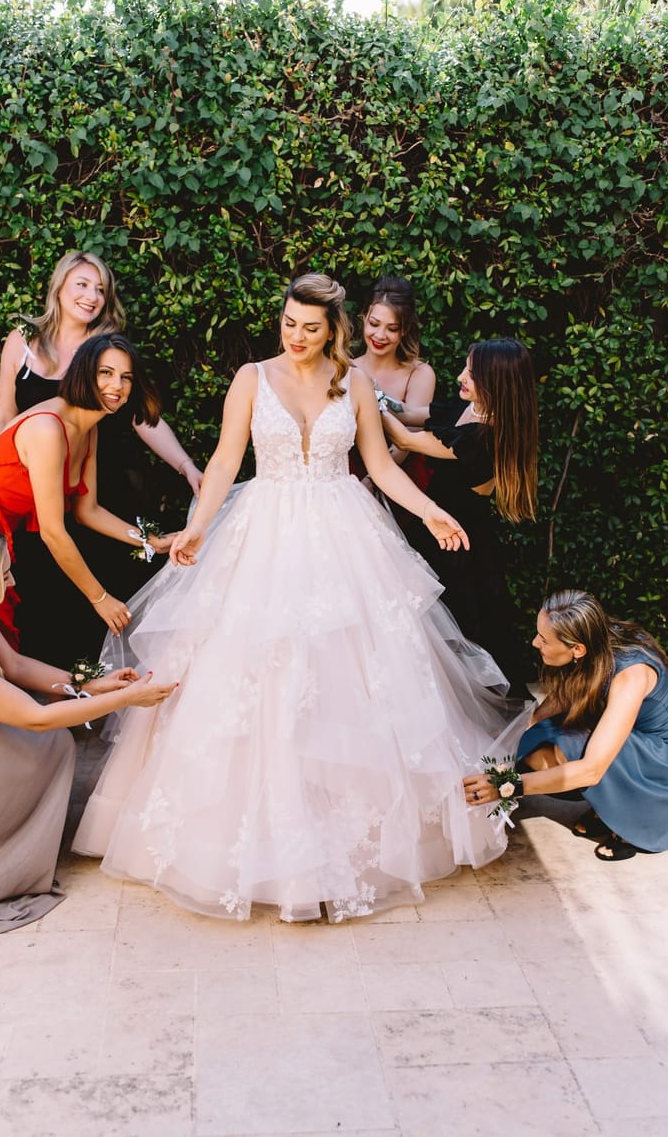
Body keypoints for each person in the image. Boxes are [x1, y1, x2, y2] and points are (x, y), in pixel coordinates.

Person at [73, 273, 529, 923]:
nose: (296, 336)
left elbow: (380, 465)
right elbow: (228, 462)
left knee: (347, 677)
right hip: (264, 532)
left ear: (333, 330)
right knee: (257, 674)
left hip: (346, 535)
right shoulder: (251, 380)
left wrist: (430, 513)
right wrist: (199, 526)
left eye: (309, 328)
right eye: (289, 324)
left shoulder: (356, 384)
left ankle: (343, 837)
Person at [0, 525, 175, 937]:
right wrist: (128, 698)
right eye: (5, 572)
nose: (12, 580)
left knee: (49, 742)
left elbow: (15, 666)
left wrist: (89, 683)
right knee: (46, 737)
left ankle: (12, 830)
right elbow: (35, 716)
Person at [0, 251, 203, 662]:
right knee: (36, 587)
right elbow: (4, 415)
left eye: (100, 289)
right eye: (82, 285)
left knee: (98, 578)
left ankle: (94, 692)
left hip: (88, 481)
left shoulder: (106, 349)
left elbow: (142, 417)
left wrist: (185, 465)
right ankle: (48, 696)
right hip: (31, 485)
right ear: (59, 287)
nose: (91, 296)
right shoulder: (21, 341)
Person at [0, 335, 174, 649]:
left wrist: (149, 541)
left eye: (126, 377)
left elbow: (86, 511)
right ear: (83, 372)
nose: (116, 385)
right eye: (105, 373)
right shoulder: (49, 429)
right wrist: (99, 598)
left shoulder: (89, 428)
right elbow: (53, 532)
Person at [463, 589, 668, 861]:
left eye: (543, 639)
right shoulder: (593, 636)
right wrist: (516, 732)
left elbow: (590, 770)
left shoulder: (631, 676)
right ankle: (610, 805)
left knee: (570, 748)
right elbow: (569, 691)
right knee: (535, 742)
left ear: (577, 648)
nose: (534, 643)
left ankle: (631, 815)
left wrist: (505, 786)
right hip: (639, 742)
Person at [383, 336, 538, 696]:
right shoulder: (469, 410)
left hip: (458, 540)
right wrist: (383, 399)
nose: (460, 377)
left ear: (495, 381)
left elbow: (406, 439)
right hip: (437, 526)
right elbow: (409, 414)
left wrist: (366, 400)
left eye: (471, 372)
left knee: (463, 623)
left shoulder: (483, 437)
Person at [351, 275, 436, 531]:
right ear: (363, 318)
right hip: (348, 474)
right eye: (374, 323)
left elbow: (408, 440)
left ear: (405, 329)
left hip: (401, 479)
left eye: (392, 328)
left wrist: (370, 482)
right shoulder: (345, 368)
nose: (380, 335)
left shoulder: (418, 373)